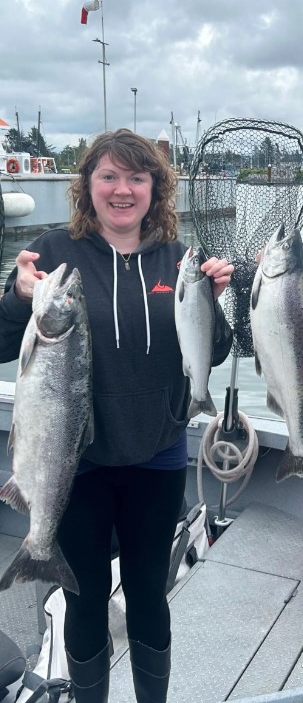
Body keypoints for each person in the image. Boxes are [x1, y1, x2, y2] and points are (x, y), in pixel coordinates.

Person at [0, 129, 234, 703]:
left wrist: (214, 301)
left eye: (137, 177)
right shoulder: (55, 255)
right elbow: (7, 343)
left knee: (150, 595)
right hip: (73, 463)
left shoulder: (179, 259)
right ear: (88, 186)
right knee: (84, 598)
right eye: (108, 176)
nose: (122, 189)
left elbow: (215, 350)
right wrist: (16, 296)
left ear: (156, 188)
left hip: (156, 454)